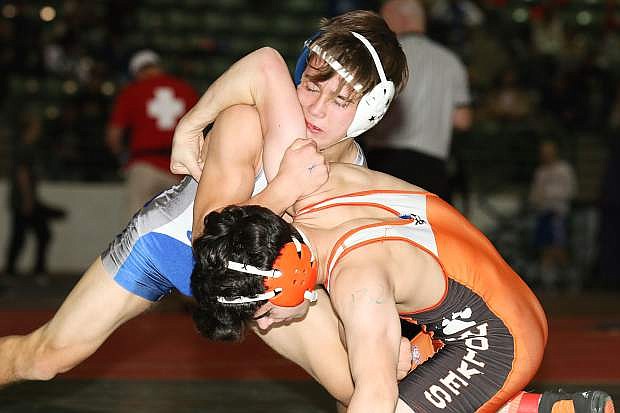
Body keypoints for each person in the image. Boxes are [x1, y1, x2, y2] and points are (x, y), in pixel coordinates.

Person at [0, 11, 413, 407]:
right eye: (310, 86)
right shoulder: (247, 122)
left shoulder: (355, 174)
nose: (316, 109)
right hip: (170, 246)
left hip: (260, 277)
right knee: (46, 359)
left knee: (358, 380)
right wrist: (284, 186)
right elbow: (206, 239)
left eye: (340, 100)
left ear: (371, 111)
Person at [191, 162, 613, 413]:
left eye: (262, 314)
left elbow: (375, 399)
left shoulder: (359, 284)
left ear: (289, 280)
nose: (265, 328)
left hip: (497, 340)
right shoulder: (313, 187)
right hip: (488, 297)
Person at [364, 0, 472, 202]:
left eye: (384, 19)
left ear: (402, 19)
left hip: (385, 164)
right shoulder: (451, 61)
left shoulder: (384, 56)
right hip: (433, 169)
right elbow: (462, 120)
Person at [106, 49, 199, 216]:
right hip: (181, 168)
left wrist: (121, 157)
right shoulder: (186, 90)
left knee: (135, 224)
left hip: (144, 165)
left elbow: (114, 135)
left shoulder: (132, 91)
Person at [3, 114, 65, 286]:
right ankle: (20, 271)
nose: (39, 130)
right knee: (30, 235)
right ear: (29, 129)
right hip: (23, 200)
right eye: (36, 126)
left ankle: (14, 271)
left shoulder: (28, 147)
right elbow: (22, 174)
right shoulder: (24, 148)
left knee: (29, 235)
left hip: (25, 199)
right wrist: (28, 199)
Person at [529, 140, 577, 291]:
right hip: (543, 213)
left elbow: (570, 191)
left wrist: (549, 195)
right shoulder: (541, 172)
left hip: (557, 214)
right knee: (544, 247)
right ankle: (549, 281)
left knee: (558, 248)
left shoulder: (564, 170)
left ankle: (570, 277)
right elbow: (535, 194)